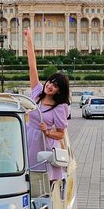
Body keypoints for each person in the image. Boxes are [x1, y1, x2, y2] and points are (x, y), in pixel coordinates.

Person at [23, 28, 70, 182]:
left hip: (45, 144)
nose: (50, 86)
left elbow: (61, 134)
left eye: (55, 86)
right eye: (50, 82)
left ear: (58, 91)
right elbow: (32, 67)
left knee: (45, 181)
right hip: (29, 138)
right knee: (27, 177)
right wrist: (29, 40)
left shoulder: (59, 107)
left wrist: (48, 132)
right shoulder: (37, 92)